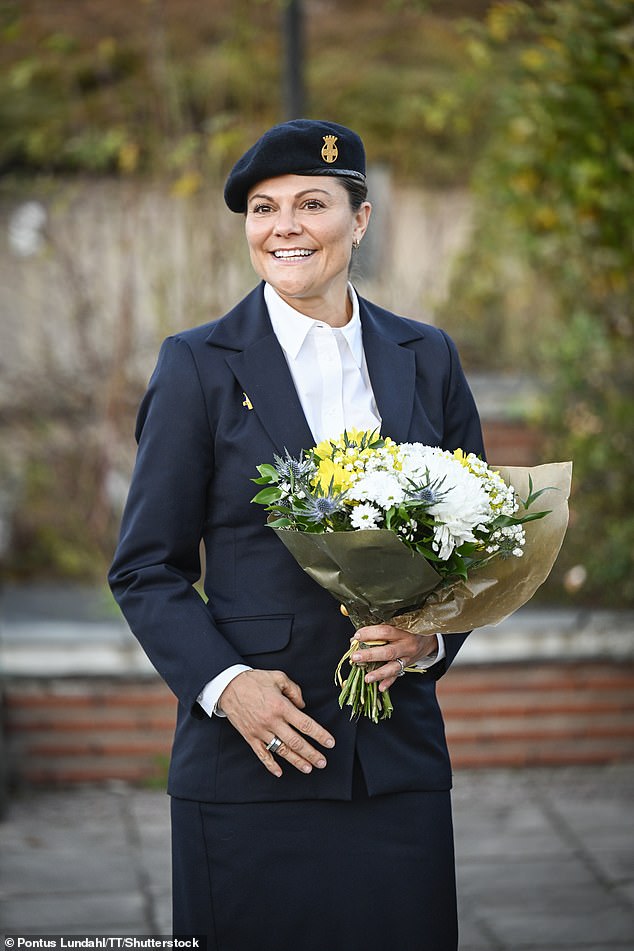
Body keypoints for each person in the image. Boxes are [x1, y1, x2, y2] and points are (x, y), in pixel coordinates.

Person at [109, 118, 485, 951]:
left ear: (359, 220)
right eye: (264, 208)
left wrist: (428, 642)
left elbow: (478, 544)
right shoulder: (198, 364)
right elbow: (145, 568)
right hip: (253, 759)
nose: (285, 227)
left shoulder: (429, 355)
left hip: (397, 759)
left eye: (312, 204)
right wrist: (226, 683)